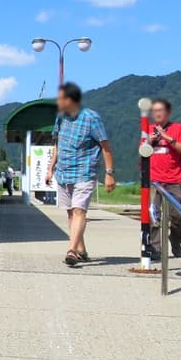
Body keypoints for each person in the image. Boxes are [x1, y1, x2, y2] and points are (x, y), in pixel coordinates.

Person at [45, 82, 116, 267]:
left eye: (60, 99)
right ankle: (81, 249)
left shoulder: (91, 118)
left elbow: (105, 147)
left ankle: (72, 251)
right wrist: (50, 168)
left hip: (84, 172)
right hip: (63, 173)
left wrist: (109, 173)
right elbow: (57, 144)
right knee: (71, 213)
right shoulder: (60, 118)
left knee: (79, 210)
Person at [149, 98, 181, 257]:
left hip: (174, 179)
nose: (157, 113)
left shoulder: (179, 128)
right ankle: (155, 249)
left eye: (160, 110)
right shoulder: (148, 129)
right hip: (154, 180)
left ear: (168, 112)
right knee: (153, 215)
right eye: (154, 110)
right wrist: (149, 142)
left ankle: (176, 240)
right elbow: (141, 153)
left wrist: (168, 138)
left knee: (177, 217)